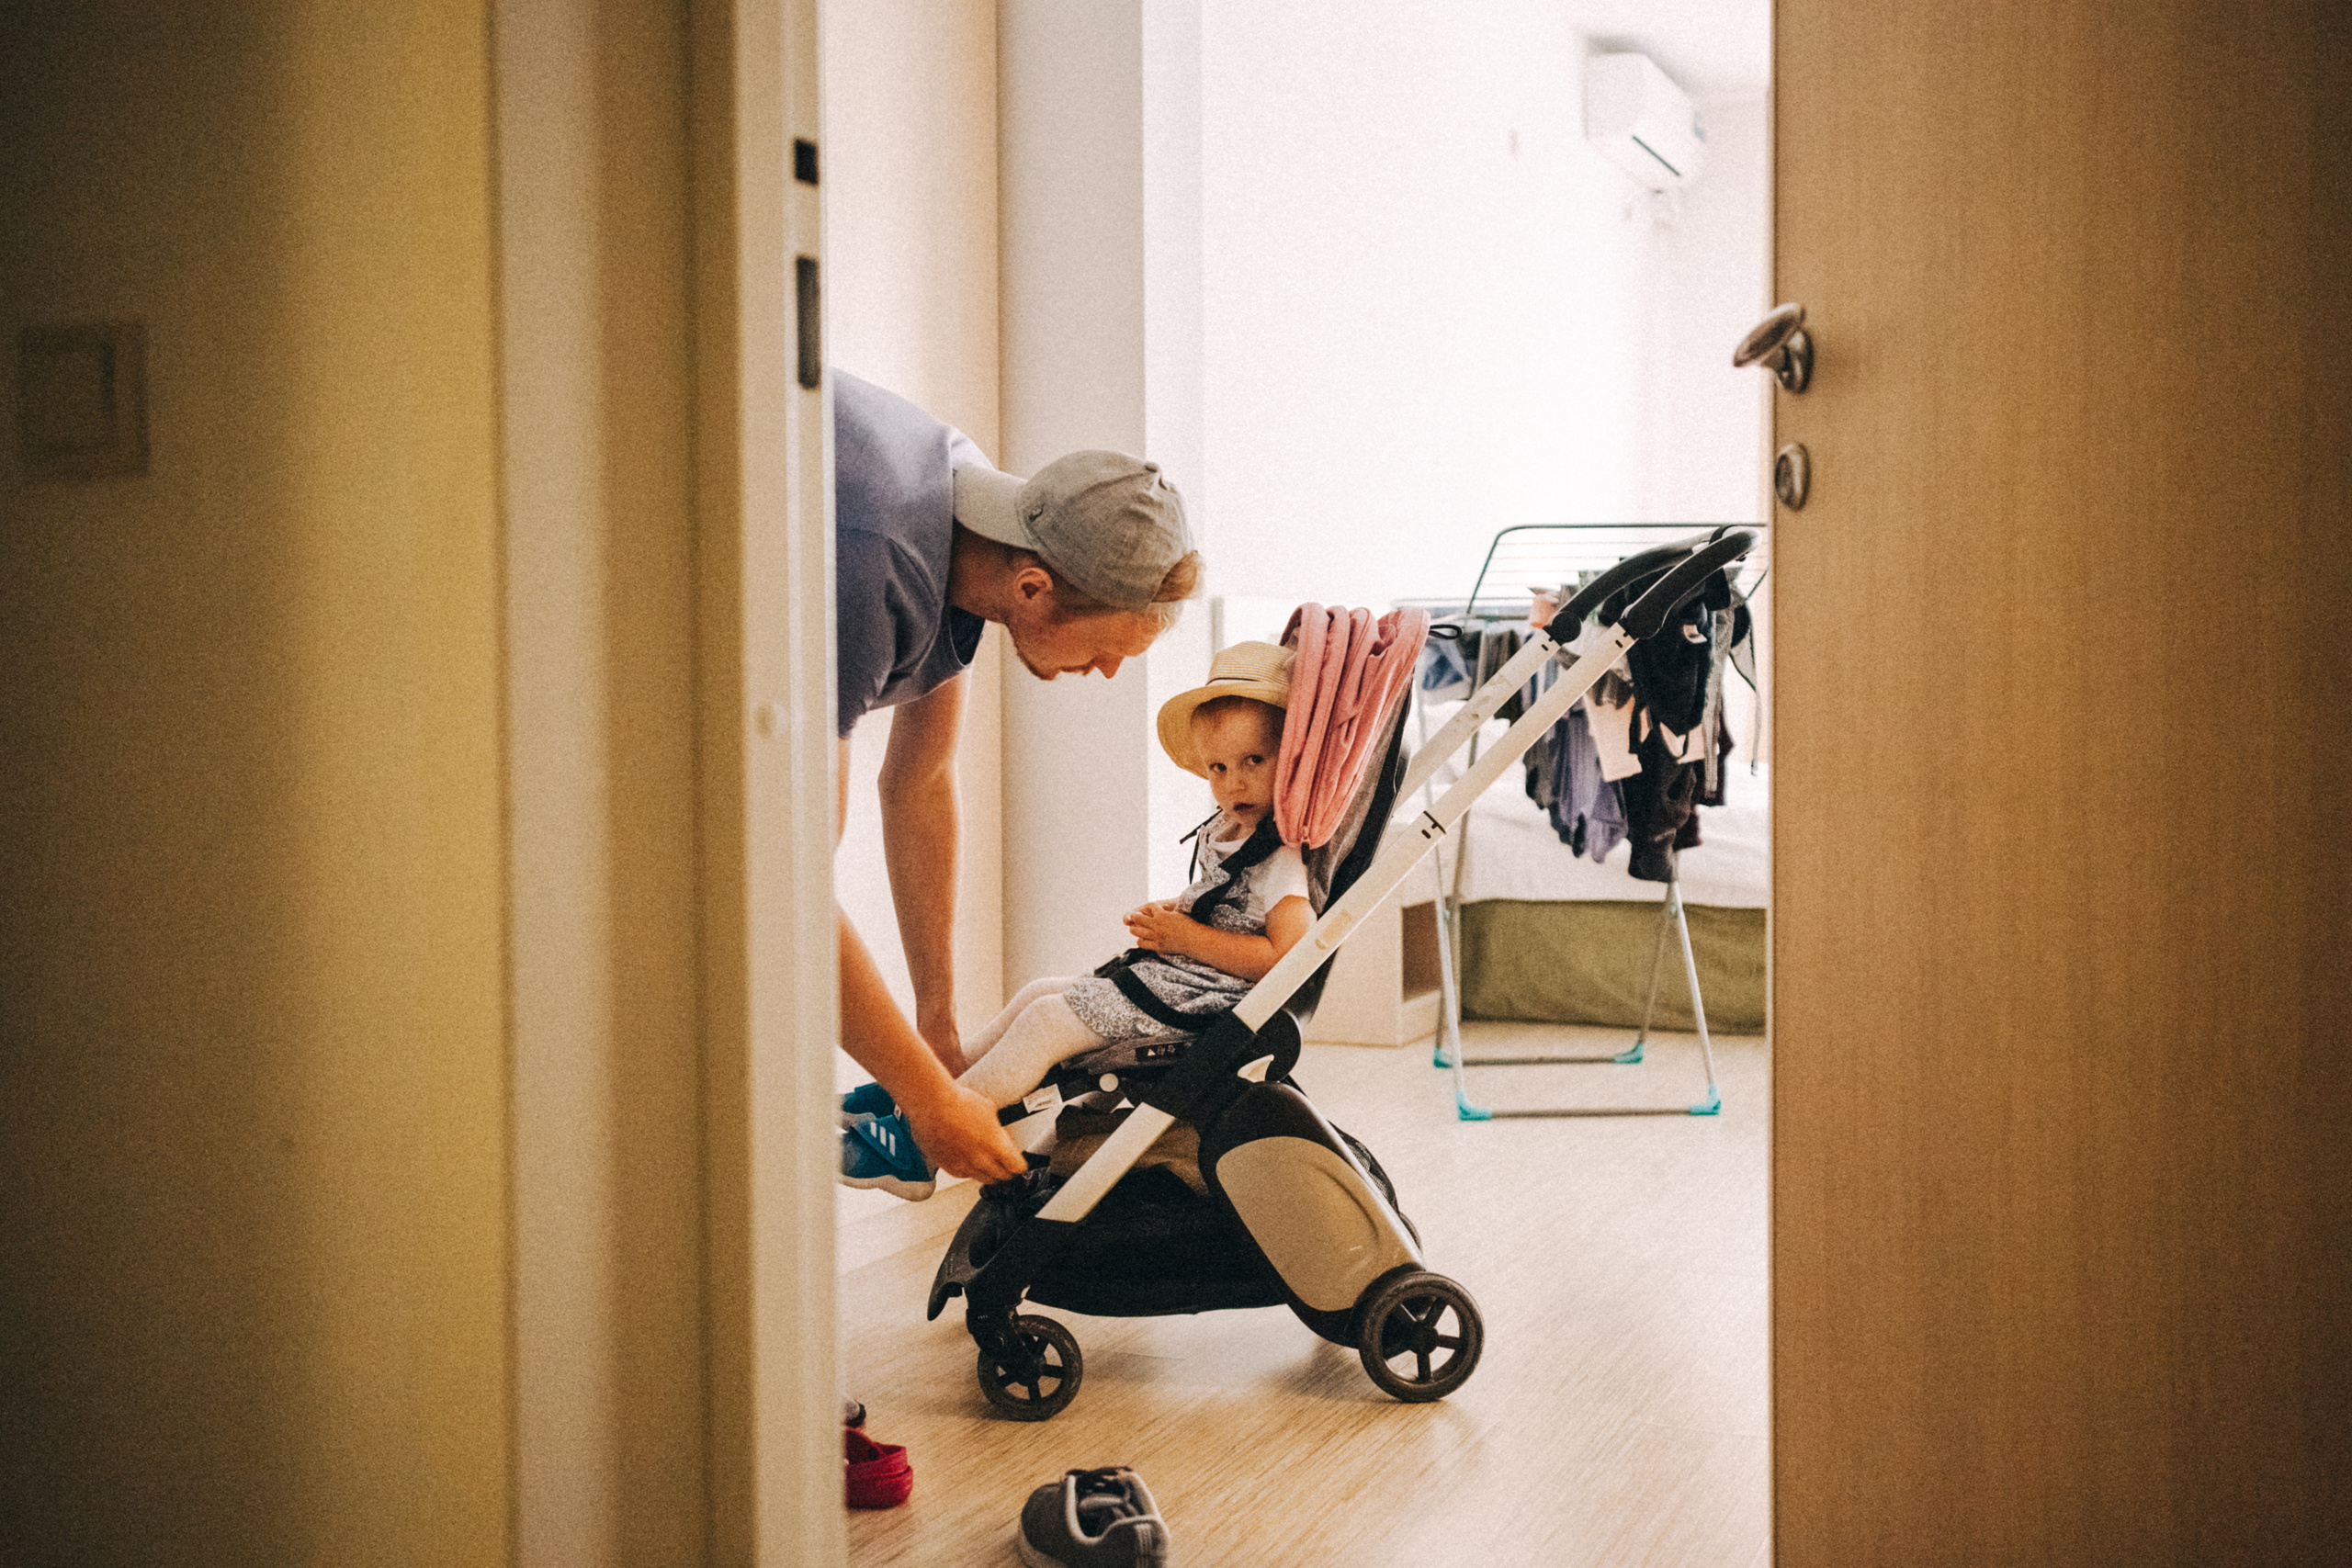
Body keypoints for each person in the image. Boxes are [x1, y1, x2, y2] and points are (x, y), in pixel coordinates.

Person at [831, 369, 1201, 1187]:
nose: (1106, 672)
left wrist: (936, 1017)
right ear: (1033, 588)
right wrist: (927, 1099)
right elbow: (784, 881)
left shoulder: (982, 521)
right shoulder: (878, 558)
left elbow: (920, 781)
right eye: (1110, 650)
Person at [840, 641, 1310, 1199]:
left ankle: (918, 1150)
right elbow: (1226, 909)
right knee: (1039, 994)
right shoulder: (1231, 831)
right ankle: (923, 1090)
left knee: (1047, 1024)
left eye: (1254, 761)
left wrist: (1188, 937)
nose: (1234, 783)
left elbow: (1289, 958)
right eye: (1219, 768)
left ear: (1293, 759)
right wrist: (1176, 916)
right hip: (1182, 981)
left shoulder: (1281, 858)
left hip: (1210, 1004)